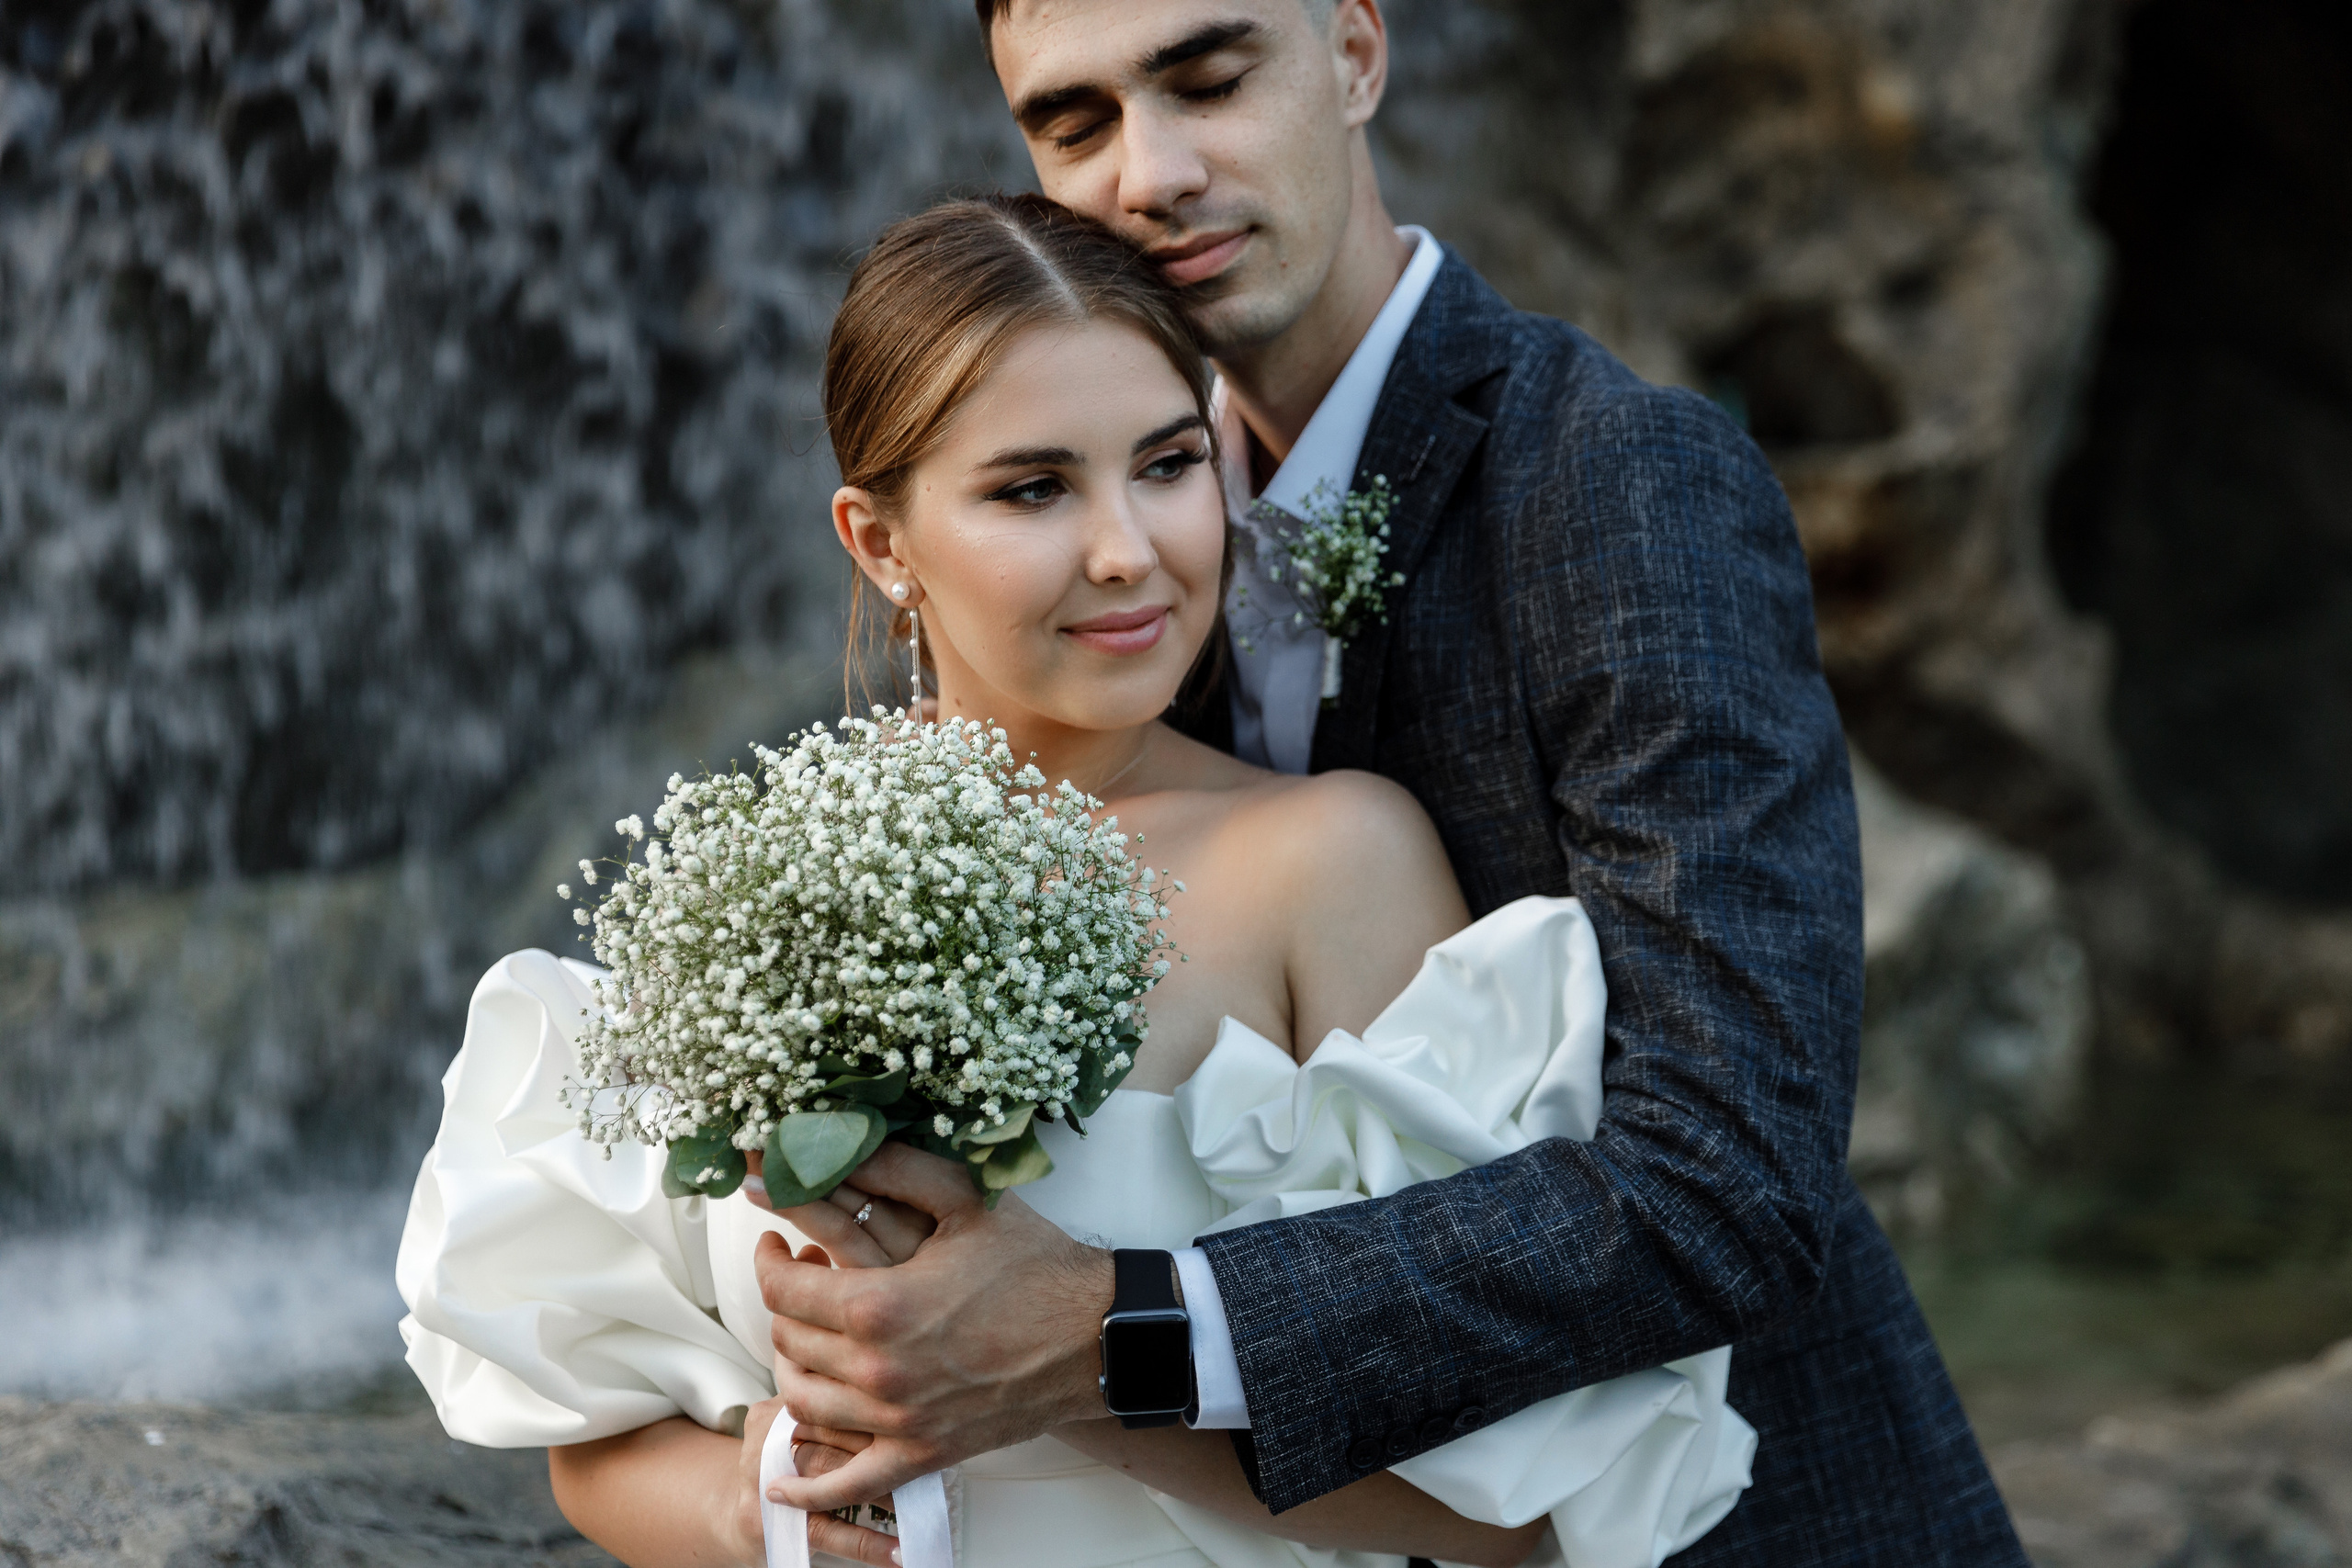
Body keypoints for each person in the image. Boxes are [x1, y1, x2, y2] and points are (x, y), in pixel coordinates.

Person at [752, 2, 2030, 1564]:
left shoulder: (1619, 487)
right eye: (1073, 123)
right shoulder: (1118, 558)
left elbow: (1728, 1181)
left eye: (1212, 78)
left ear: (1356, 52)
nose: (1150, 173)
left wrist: (1108, 1337)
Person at [400, 193, 1755, 1568]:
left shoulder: (1331, 861)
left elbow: (1509, 1512)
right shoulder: (766, 895)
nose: (1130, 549)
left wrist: (1049, 1372)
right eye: (1034, 488)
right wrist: (764, 1516)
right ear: (879, 542)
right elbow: (593, 1434)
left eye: (1166, 465)